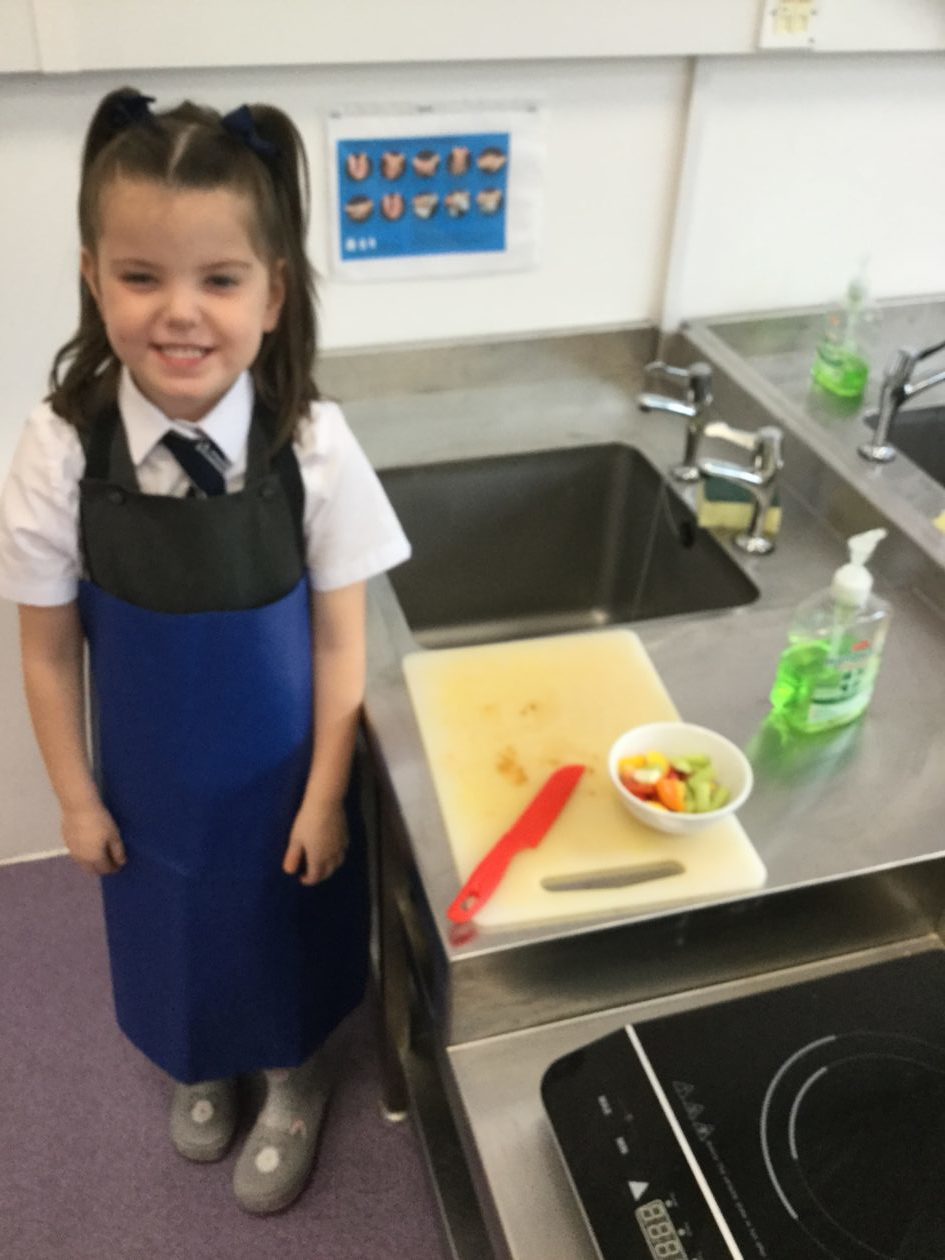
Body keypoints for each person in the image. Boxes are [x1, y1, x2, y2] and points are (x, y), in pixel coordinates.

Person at [0, 87, 410, 1215]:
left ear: (273, 294)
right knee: (172, 924)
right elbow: (47, 653)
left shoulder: (311, 446)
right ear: (94, 279)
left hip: (285, 777)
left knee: (284, 926)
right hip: (148, 785)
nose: (179, 313)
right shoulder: (58, 449)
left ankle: (293, 1074)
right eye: (142, 276)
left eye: (219, 280)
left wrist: (325, 795)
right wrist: (74, 799)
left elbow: (342, 639)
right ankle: (201, 1056)